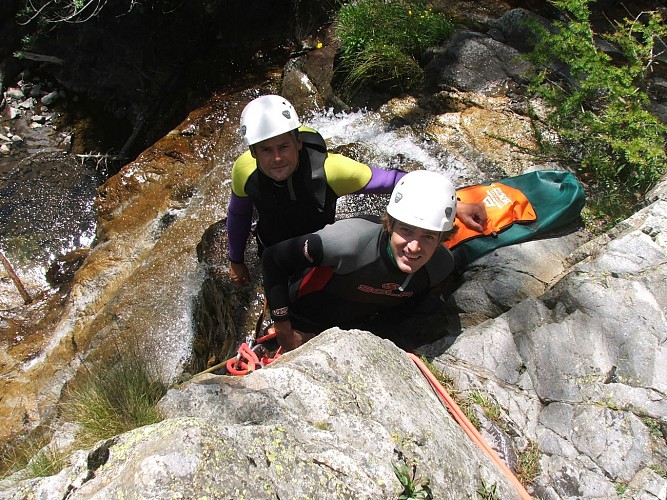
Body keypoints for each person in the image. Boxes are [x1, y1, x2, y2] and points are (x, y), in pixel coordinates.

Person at [226, 94, 487, 284]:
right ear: (253, 152)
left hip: (318, 245)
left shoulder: (332, 170)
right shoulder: (244, 172)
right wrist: (235, 260)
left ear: (298, 142)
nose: (277, 158)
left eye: (283, 147)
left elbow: (393, 180)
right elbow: (238, 215)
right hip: (271, 242)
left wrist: (455, 203)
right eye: (266, 150)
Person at [262, 169, 460, 351]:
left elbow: (405, 311)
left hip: (354, 330)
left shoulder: (440, 267)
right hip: (301, 319)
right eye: (406, 230)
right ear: (390, 224)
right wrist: (283, 328)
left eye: (428, 236)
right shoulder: (349, 241)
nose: (414, 247)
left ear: (442, 238)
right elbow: (273, 259)